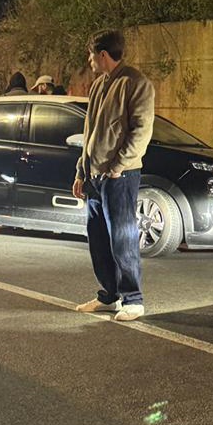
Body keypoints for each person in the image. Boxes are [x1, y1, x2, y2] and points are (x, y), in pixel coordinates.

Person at [72, 29, 155, 323]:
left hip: (120, 175)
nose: (89, 60)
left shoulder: (136, 83)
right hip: (94, 175)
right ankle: (109, 296)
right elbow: (89, 132)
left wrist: (119, 165)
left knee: (123, 237)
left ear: (103, 55)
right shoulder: (98, 86)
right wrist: (81, 171)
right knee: (97, 237)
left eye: (91, 55)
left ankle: (133, 299)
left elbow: (142, 131)